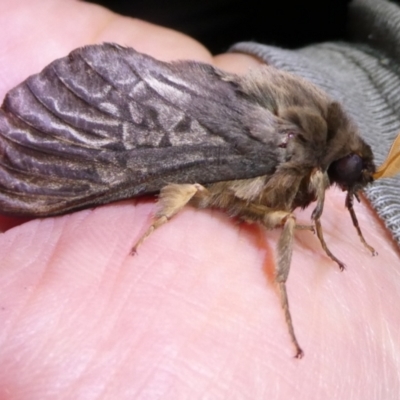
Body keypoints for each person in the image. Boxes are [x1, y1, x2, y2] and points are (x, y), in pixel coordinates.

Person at [0, 0, 398, 398]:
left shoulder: (315, 143)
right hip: (163, 120)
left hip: (201, 89)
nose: (343, 187)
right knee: (273, 211)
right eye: (342, 177)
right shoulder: (286, 146)